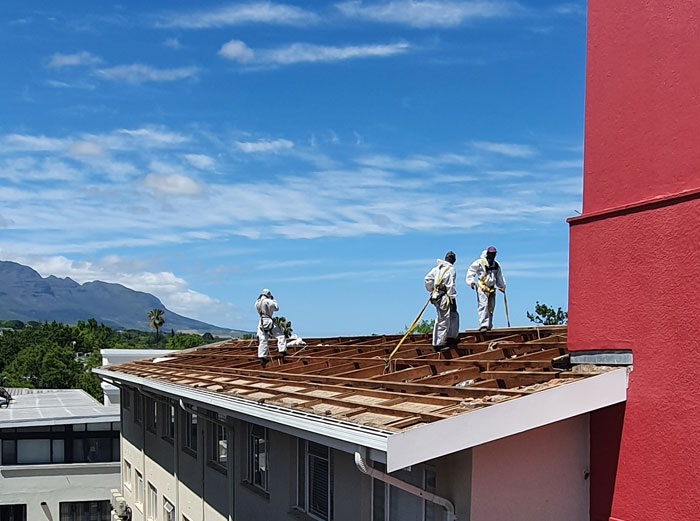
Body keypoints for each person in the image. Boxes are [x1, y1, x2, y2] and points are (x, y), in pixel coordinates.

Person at [424, 251, 460, 351]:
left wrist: (432, 289)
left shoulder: (437, 269)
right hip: (445, 297)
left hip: (438, 296)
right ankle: (438, 344)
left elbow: (427, 279)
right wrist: (452, 297)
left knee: (453, 316)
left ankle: (451, 338)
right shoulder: (451, 269)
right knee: (443, 319)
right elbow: (450, 284)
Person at [466, 246, 506, 331]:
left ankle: (489, 325)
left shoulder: (496, 265)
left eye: (494, 254)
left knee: (491, 307)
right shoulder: (480, 262)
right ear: (488, 254)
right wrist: (471, 281)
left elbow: (499, 276)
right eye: (491, 254)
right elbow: (471, 271)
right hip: (482, 287)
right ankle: (483, 325)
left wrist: (502, 286)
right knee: (483, 305)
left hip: (491, 288)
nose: (492, 256)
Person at [254, 289, 287, 367]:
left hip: (261, 321)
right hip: (268, 320)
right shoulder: (267, 301)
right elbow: (276, 308)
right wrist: (273, 300)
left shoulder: (257, 302)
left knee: (263, 340)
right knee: (280, 335)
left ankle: (262, 357)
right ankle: (282, 351)